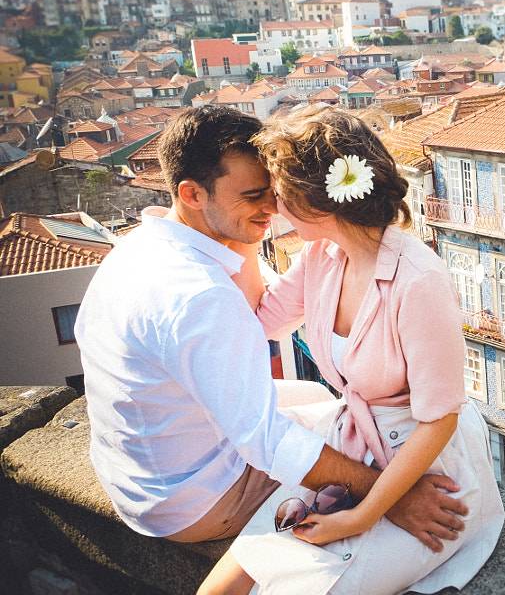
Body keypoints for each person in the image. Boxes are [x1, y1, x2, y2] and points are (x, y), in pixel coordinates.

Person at [75, 104, 468, 548]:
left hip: (137, 473)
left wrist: (242, 226)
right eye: (253, 196)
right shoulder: (202, 295)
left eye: (275, 190)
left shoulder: (140, 246)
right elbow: (266, 439)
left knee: (316, 396)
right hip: (193, 499)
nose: (273, 207)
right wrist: (388, 499)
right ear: (193, 194)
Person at [199, 107, 504, 595]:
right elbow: (263, 319)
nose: (272, 207)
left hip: (426, 470)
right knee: (222, 588)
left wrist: (362, 516)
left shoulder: (418, 280)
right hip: (350, 448)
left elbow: (440, 416)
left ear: (315, 202)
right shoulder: (320, 257)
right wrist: (236, 236)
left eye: (279, 193)